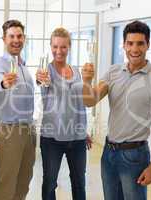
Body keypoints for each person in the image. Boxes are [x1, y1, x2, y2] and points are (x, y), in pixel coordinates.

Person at [82, 20, 151, 200]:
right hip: (108, 153)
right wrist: (86, 81)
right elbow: (90, 101)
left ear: (148, 45)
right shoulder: (113, 72)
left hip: (135, 156)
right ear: (123, 45)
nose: (135, 49)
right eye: (130, 43)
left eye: (140, 43)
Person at [36, 27, 92, 200]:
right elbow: (41, 80)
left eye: (63, 47)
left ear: (69, 47)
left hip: (77, 138)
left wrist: (84, 131)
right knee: (50, 183)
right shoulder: (45, 71)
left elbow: (79, 102)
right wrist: (41, 79)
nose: (58, 51)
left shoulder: (77, 71)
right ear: (50, 46)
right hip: (52, 139)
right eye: (55, 46)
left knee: (79, 182)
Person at [0, 19, 36, 200]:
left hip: (29, 130)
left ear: (24, 38)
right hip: (10, 131)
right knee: (7, 183)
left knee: (24, 180)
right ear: (4, 39)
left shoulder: (23, 66)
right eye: (11, 36)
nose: (16, 40)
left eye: (19, 36)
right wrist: (4, 82)